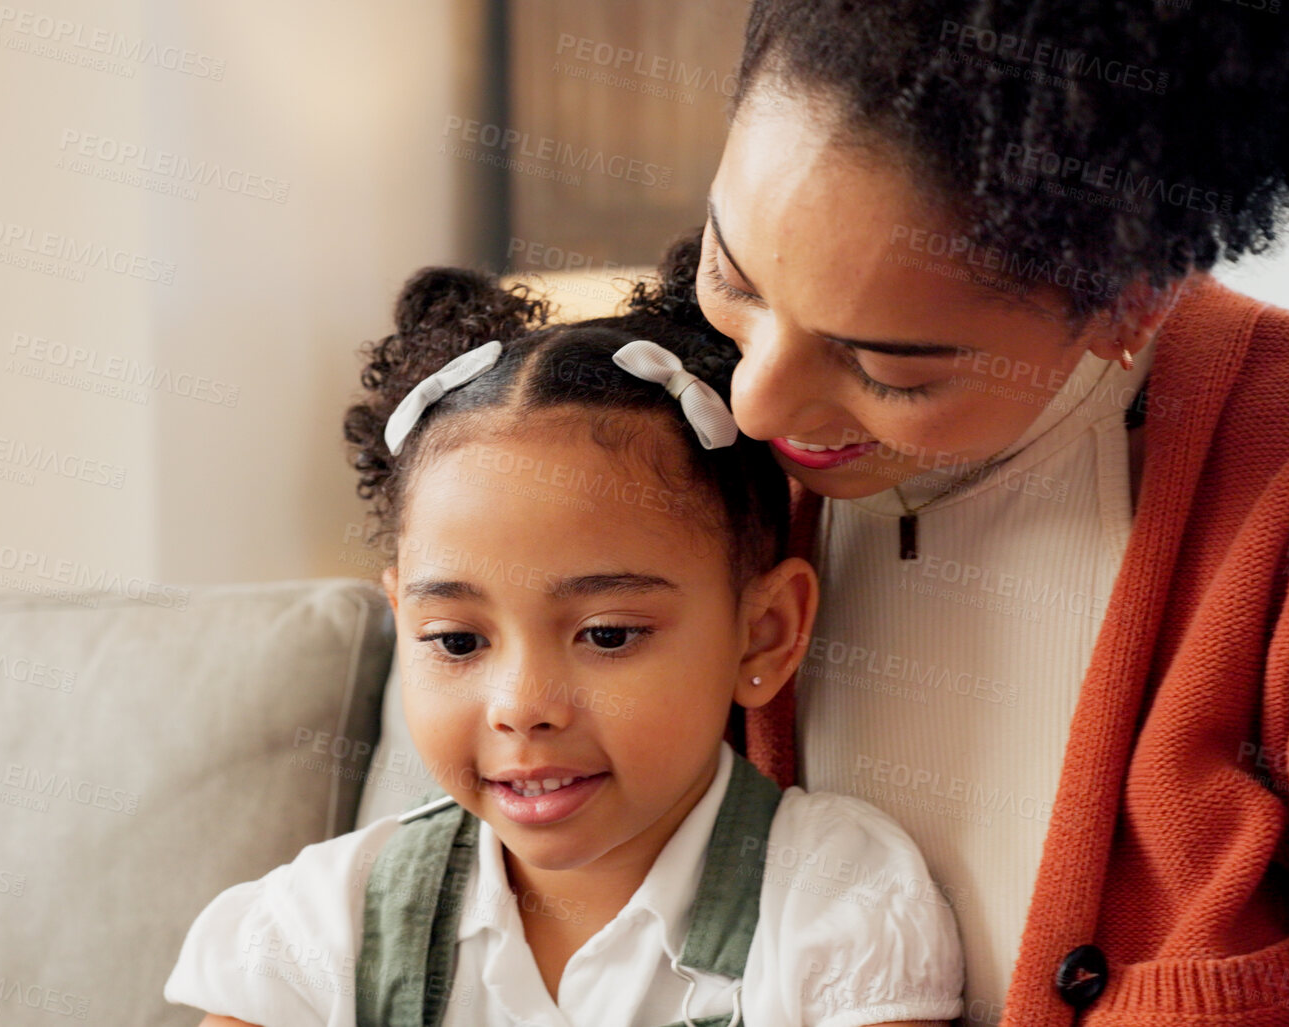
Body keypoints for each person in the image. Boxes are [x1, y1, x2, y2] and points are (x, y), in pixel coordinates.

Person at [695, 0, 1289, 1023]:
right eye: (730, 277)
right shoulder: (654, 440)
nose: (757, 403)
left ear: (1129, 298)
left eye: (890, 368)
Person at [163, 267, 966, 1026]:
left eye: (607, 634)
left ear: (764, 632)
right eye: (455, 639)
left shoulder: (834, 902)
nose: (522, 705)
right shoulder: (320, 927)